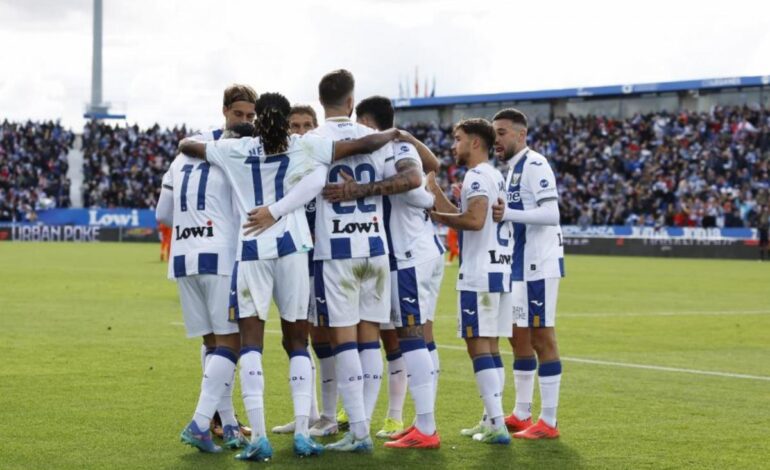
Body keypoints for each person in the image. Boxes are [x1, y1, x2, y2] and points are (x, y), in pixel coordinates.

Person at [178, 91, 400, 461]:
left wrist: (200, 138)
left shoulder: (236, 149)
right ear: (285, 120)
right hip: (294, 247)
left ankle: (259, 437)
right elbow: (363, 142)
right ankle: (301, 433)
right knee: (297, 341)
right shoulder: (304, 145)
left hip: (252, 249)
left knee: (251, 343)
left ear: (257, 118)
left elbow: (189, 146)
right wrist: (394, 134)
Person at [320, 95, 443, 448]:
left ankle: (426, 427)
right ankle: (420, 421)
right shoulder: (394, 145)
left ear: (371, 124)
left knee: (411, 336)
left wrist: (360, 188)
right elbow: (431, 168)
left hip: (408, 254)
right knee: (417, 337)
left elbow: (419, 187)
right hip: (412, 253)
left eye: (364, 127)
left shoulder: (392, 147)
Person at [157, 84, 257, 453]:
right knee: (232, 342)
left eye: (250, 116)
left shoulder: (183, 152)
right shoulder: (239, 151)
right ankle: (200, 423)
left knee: (213, 343)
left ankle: (227, 423)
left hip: (183, 258)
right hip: (220, 256)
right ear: (225, 111)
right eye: (240, 115)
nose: (245, 122)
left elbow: (162, 214)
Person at [427, 118, 513, 445]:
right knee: (490, 347)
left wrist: (433, 215)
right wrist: (436, 193)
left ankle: (497, 424)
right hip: (499, 270)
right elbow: (466, 218)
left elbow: (474, 221)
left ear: (475, 143)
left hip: (478, 273)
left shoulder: (477, 176)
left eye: (458, 138)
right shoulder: (494, 175)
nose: (454, 145)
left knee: (478, 346)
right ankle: (492, 419)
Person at [491, 108, 565, 439]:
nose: (496, 139)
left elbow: (552, 213)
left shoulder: (535, 164)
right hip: (519, 264)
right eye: (494, 133)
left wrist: (509, 213)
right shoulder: (511, 170)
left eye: (502, 132)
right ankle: (522, 413)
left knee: (541, 337)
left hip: (539, 262)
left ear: (521, 135)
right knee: (517, 336)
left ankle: (548, 422)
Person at [271, 104, 335, 437]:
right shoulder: (282, 164)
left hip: (323, 259)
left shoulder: (324, 162)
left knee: (322, 337)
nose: (300, 131)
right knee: (294, 337)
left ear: (317, 127)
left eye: (307, 125)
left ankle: (328, 415)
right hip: (292, 256)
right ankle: (307, 414)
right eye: (294, 125)